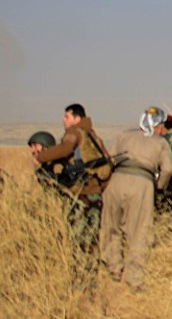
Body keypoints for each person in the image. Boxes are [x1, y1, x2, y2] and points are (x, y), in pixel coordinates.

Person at [100, 107, 172, 291]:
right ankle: (134, 280)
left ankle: (114, 268)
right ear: (156, 125)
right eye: (161, 125)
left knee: (111, 225)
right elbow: (167, 170)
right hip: (142, 184)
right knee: (139, 232)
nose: (162, 130)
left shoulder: (123, 135)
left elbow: (110, 159)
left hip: (116, 181)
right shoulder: (160, 143)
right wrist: (158, 188)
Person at [32, 104, 113, 250]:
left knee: (76, 239)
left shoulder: (75, 133)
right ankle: (91, 270)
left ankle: (78, 271)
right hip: (95, 194)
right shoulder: (93, 136)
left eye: (66, 117)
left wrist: (41, 157)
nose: (63, 120)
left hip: (80, 194)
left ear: (77, 118)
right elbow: (107, 166)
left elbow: (65, 149)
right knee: (92, 239)